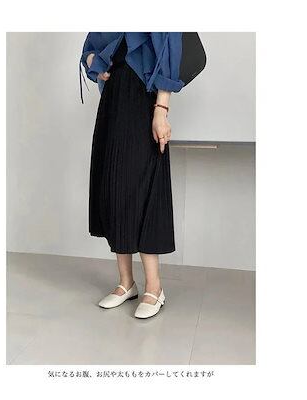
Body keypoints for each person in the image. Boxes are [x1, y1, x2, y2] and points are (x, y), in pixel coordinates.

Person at [80, 32, 184, 319]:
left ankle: (154, 287)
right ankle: (126, 282)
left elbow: (169, 44)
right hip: (114, 98)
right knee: (114, 185)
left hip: (144, 96)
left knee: (143, 186)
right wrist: (95, 62)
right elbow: (90, 48)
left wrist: (161, 110)